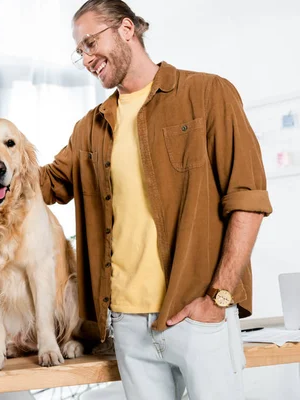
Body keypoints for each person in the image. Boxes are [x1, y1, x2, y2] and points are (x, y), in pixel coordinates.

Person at [39, 1, 273, 399]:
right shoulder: (89, 129)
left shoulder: (207, 93)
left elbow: (247, 200)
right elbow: (43, 185)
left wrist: (218, 297)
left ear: (127, 29)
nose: (87, 58)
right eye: (80, 52)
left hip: (199, 315)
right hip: (127, 326)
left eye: (91, 43)